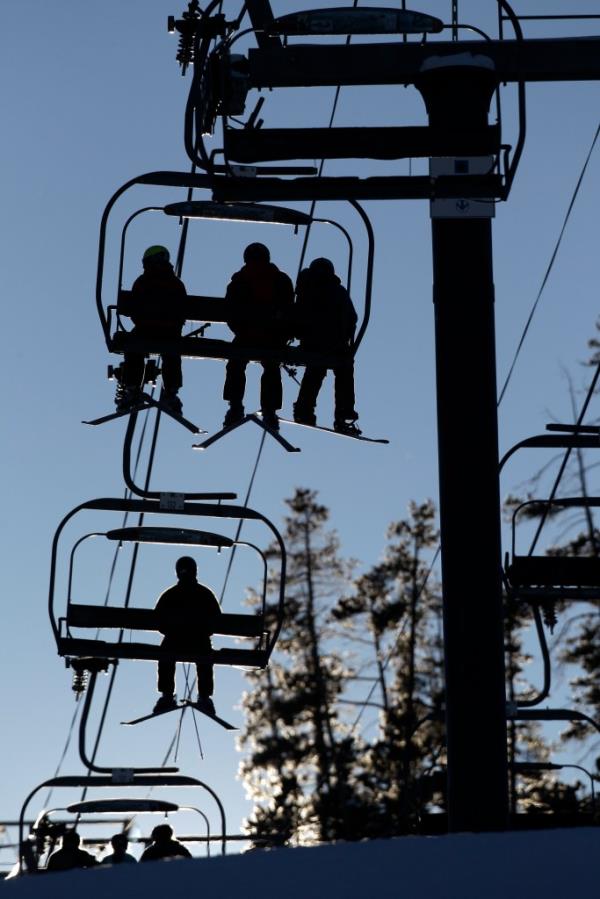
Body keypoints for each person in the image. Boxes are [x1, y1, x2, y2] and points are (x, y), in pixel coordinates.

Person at [222, 242, 294, 431]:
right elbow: (289, 311)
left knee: (236, 363)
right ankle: (269, 411)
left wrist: (242, 331)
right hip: (272, 338)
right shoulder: (281, 280)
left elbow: (231, 313)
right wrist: (282, 335)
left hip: (246, 335)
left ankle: (235, 406)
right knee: (271, 367)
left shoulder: (239, 281)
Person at [292, 257, 361, 435]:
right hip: (332, 345)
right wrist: (344, 337)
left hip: (312, 344)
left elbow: (296, 318)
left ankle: (304, 410)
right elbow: (352, 318)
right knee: (343, 369)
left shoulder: (306, 290)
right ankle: (343, 413)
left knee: (315, 371)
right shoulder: (338, 292)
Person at [116, 245, 187, 414]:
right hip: (170, 332)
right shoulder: (175, 283)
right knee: (172, 353)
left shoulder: (142, 282)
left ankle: (132, 387)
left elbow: (132, 310)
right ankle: (171, 391)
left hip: (145, 330)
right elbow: (182, 310)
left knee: (133, 347)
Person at [153, 556, 222, 715]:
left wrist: (174, 631)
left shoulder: (170, 595)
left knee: (166, 653)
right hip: (199, 642)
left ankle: (167, 695)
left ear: (177, 573)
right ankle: (204, 696)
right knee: (205, 655)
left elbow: (158, 622)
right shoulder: (205, 594)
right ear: (195, 571)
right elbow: (216, 622)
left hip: (174, 641)